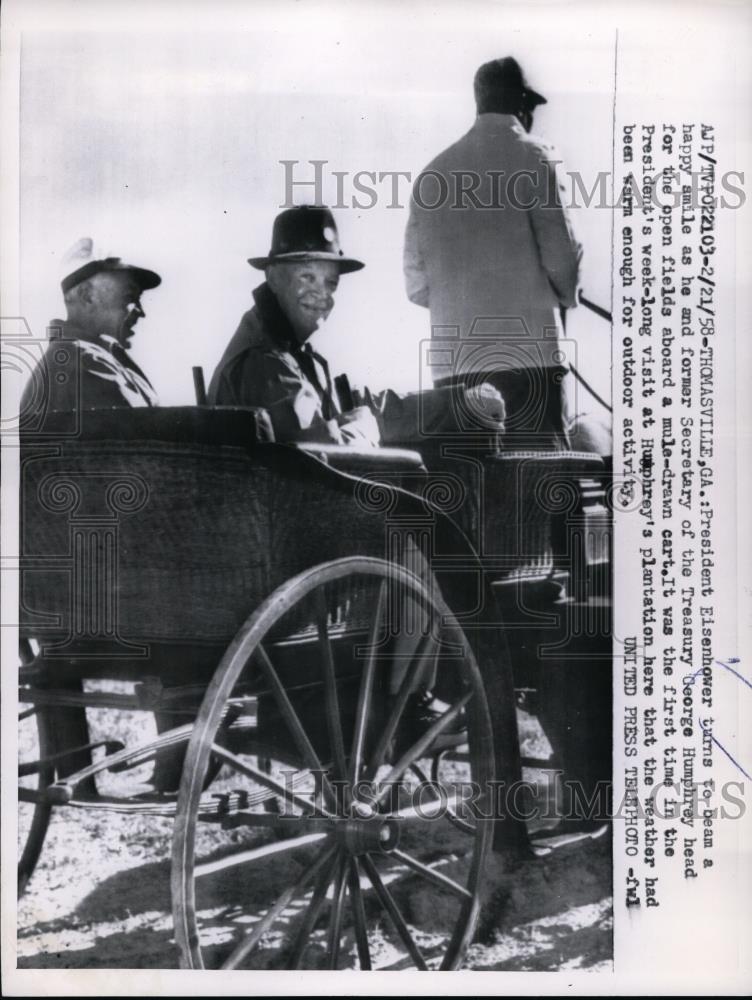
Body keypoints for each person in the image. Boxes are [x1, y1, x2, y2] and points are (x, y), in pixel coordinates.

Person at [403, 56, 583, 450]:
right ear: (523, 107)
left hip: (453, 373)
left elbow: (416, 286)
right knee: (543, 492)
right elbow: (564, 269)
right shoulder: (537, 158)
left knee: (473, 496)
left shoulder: (432, 175)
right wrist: (562, 295)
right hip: (531, 367)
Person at [208, 205, 380, 446]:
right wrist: (366, 428)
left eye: (331, 283)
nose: (322, 295)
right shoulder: (265, 360)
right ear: (273, 278)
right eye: (307, 277)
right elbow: (324, 454)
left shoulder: (291, 350)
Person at [21, 237, 161, 426]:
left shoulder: (93, 357)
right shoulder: (83, 362)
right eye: (129, 297)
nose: (140, 312)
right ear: (87, 295)